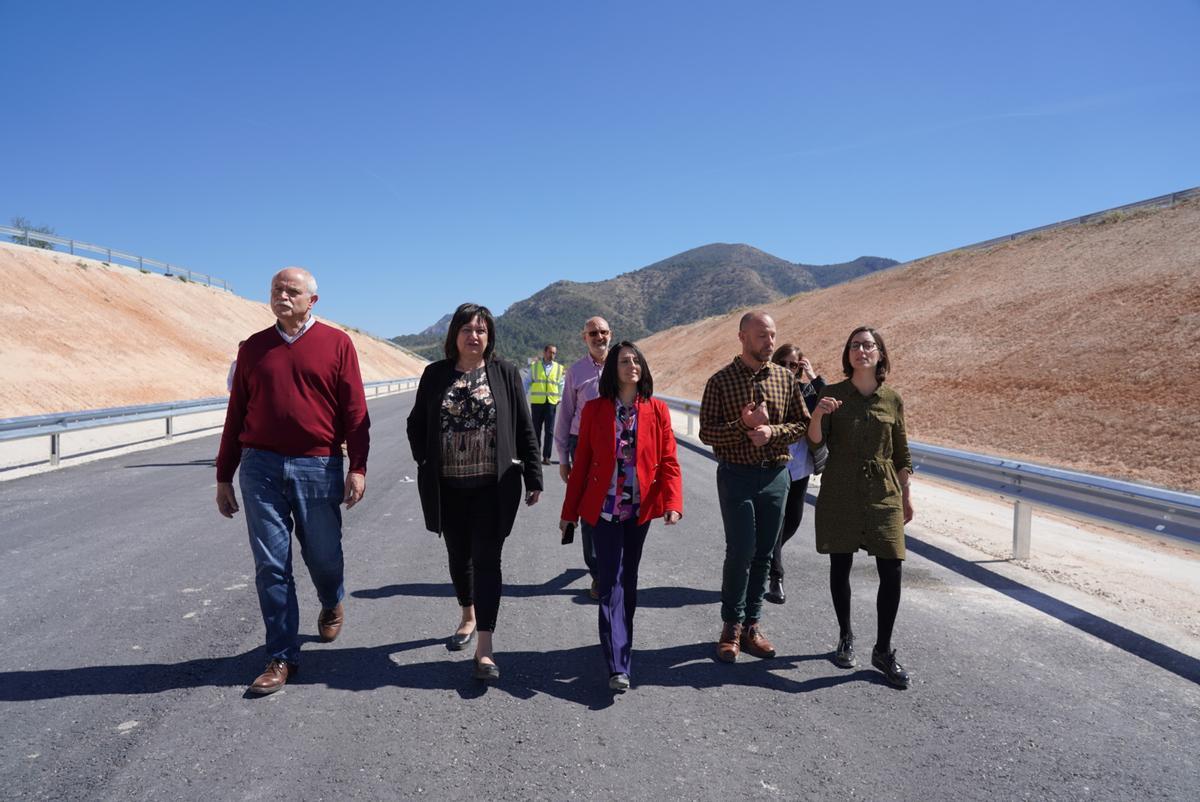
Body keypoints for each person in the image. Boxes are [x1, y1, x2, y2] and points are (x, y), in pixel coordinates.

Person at [215, 267, 369, 695]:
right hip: (260, 466)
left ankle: (331, 598)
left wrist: (357, 466)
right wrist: (223, 474)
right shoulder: (253, 349)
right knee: (271, 565)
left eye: (291, 290)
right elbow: (235, 416)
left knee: (323, 555)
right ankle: (281, 655)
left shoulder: (337, 344)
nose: (282, 295)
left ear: (311, 300)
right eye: (276, 289)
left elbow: (355, 413)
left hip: (317, 465)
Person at [406, 303, 543, 682]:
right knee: (458, 555)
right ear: (454, 335)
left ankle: (485, 646)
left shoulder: (505, 373)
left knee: (487, 560)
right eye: (467, 329)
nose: (474, 335)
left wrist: (534, 476)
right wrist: (426, 462)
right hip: (447, 487)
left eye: (481, 330)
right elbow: (416, 424)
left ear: (489, 337)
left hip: (491, 487)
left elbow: (524, 428)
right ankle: (467, 613)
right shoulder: (435, 375)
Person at [560, 342, 683, 691]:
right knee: (610, 580)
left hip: (638, 510)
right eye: (625, 361)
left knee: (629, 581)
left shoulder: (657, 410)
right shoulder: (596, 410)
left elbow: (669, 461)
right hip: (603, 510)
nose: (632, 365)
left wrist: (673, 502)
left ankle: (621, 642)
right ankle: (618, 664)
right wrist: (569, 514)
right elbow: (581, 463)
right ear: (613, 369)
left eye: (636, 360)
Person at [807, 326, 914, 688]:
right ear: (848, 354)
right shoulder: (832, 394)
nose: (861, 351)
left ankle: (882, 650)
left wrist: (907, 495)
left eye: (868, 345)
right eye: (854, 345)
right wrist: (818, 415)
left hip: (883, 491)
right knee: (841, 563)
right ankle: (846, 635)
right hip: (840, 488)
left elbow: (901, 452)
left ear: (880, 354)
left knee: (892, 567)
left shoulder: (893, 399)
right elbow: (816, 442)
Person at [699, 311, 808, 663]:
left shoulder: (784, 379)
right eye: (762, 336)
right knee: (741, 550)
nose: (770, 342)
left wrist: (771, 433)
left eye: (773, 335)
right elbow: (706, 432)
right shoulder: (720, 381)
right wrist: (741, 425)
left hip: (777, 475)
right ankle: (730, 627)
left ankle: (752, 626)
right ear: (743, 336)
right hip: (736, 475)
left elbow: (802, 424)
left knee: (764, 553)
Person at [554, 316, 612, 599]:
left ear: (610, 334)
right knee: (590, 510)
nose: (598, 337)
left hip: (618, 445)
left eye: (603, 332)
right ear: (584, 337)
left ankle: (616, 568)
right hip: (583, 446)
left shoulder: (625, 365)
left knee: (618, 507)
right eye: (593, 333)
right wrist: (563, 458)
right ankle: (598, 574)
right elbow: (564, 415)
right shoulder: (575, 372)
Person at [763, 344, 826, 605]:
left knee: (793, 521)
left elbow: (831, 399)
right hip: (774, 464)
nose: (790, 369)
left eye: (795, 365)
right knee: (776, 522)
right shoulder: (768, 388)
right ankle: (776, 577)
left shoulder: (806, 391)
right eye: (785, 363)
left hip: (800, 466)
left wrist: (812, 375)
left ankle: (764, 555)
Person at [524, 344, 564, 465]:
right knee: (536, 430)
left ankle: (546, 456)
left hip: (551, 402)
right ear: (544, 352)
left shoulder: (558, 368)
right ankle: (535, 455)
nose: (552, 355)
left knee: (549, 431)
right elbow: (527, 382)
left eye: (554, 353)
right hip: (537, 403)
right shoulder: (535, 367)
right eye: (550, 352)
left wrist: (560, 397)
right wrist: (521, 395)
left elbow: (562, 384)